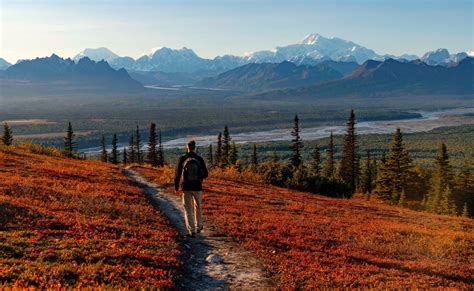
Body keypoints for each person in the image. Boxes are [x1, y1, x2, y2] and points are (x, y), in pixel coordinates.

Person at [175, 140, 208, 237]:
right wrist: (199, 178)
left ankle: (191, 230)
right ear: (194, 147)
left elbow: (177, 174)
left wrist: (176, 186)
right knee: (198, 206)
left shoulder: (182, 158)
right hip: (197, 187)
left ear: (187, 147)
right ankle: (199, 226)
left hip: (186, 187)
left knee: (187, 208)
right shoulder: (199, 158)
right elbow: (206, 174)